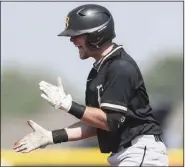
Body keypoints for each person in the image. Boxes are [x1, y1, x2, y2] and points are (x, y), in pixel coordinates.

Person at [13, 4, 169, 166]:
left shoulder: (120, 67)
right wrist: (51, 136)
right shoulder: (97, 73)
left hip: (139, 151)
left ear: (97, 35)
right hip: (129, 154)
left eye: (77, 35)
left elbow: (110, 121)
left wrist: (67, 105)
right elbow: (95, 124)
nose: (72, 40)